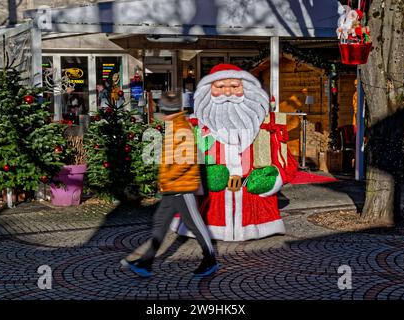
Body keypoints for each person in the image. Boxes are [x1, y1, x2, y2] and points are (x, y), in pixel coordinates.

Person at [171, 64, 298, 241]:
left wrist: (271, 178)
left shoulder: (264, 124)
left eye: (234, 86)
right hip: (211, 205)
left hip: (253, 206)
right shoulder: (195, 126)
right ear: (209, 90)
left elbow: (286, 159)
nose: (228, 93)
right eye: (220, 87)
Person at [122, 92, 218, 278]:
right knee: (160, 223)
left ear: (166, 111)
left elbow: (186, 160)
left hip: (181, 186)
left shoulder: (181, 127)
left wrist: (167, 178)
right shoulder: (174, 125)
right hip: (171, 187)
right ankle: (146, 262)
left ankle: (210, 259)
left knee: (195, 223)